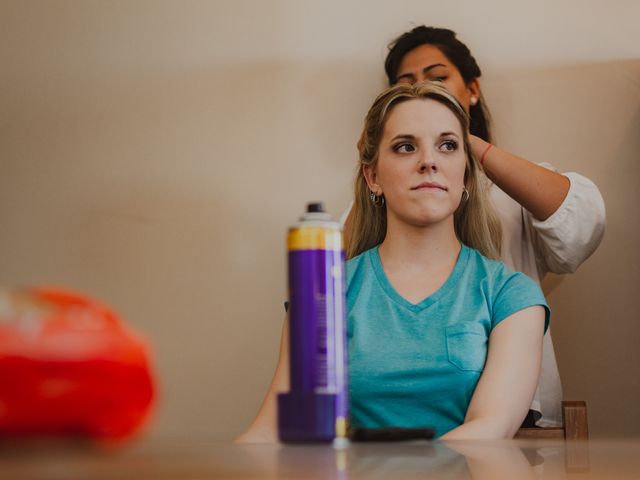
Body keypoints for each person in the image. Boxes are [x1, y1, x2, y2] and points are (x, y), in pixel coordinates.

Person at [238, 81, 549, 441]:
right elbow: (275, 428)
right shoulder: (324, 294)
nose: (429, 161)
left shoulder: (511, 296)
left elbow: (488, 431)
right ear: (373, 177)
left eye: (447, 146)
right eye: (405, 147)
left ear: (464, 173)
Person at [343, 26, 606, 428]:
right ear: (373, 177)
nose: (428, 163)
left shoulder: (509, 273)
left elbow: (581, 224)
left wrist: (463, 141)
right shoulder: (376, 207)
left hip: (513, 421)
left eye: (438, 77)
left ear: (472, 88)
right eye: (407, 83)